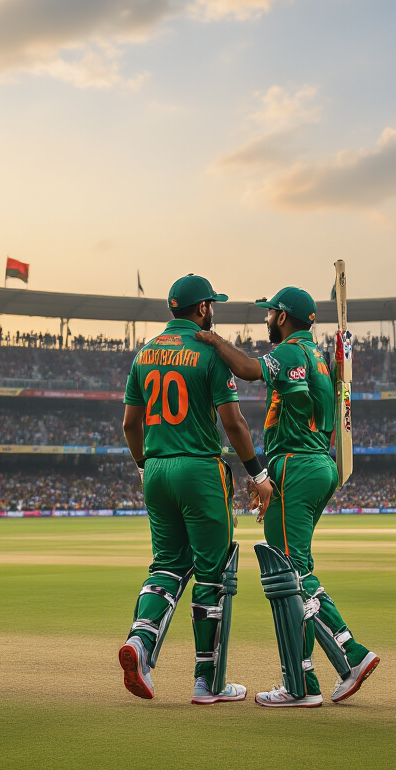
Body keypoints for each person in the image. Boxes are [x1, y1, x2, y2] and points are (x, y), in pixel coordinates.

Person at [197, 285, 379, 708]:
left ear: (282, 317)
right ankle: (321, 670)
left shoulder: (294, 351)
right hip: (317, 465)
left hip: (296, 464)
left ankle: (321, 674)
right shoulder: (317, 355)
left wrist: (214, 340)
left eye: (269, 313)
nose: (266, 318)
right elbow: (322, 399)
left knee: (288, 575)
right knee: (296, 569)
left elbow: (248, 370)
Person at [118, 274, 273, 705]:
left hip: (157, 467)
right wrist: (257, 475)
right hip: (200, 469)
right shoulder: (208, 351)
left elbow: (130, 424)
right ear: (203, 309)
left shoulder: (144, 353)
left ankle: (140, 645)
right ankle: (209, 683)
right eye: (212, 304)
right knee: (212, 574)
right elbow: (234, 423)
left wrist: (144, 465)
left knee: (166, 566)